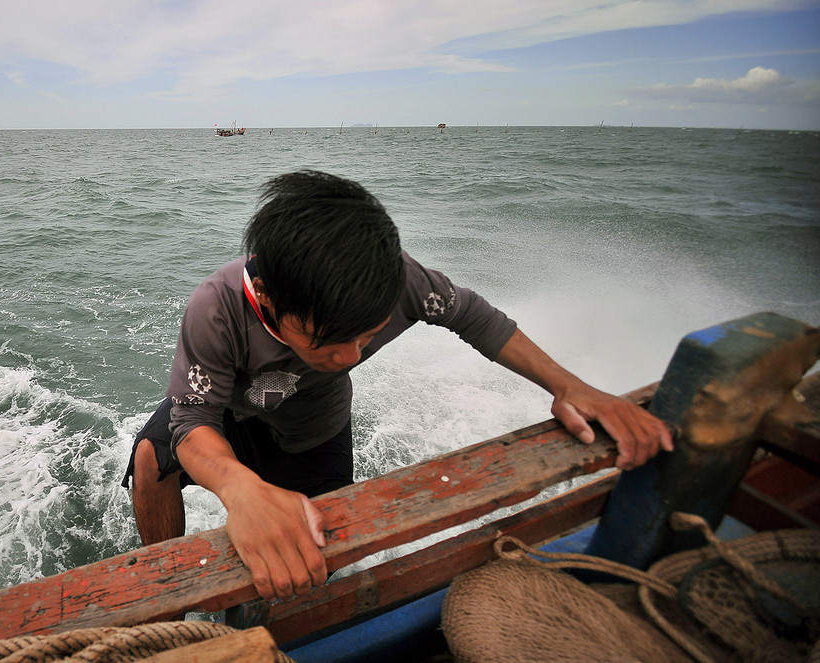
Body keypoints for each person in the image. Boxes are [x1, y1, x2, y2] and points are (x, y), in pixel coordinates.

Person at [123, 170, 673, 602]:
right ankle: (171, 594)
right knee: (152, 459)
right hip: (226, 414)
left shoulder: (401, 282)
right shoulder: (216, 308)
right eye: (326, 342)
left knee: (316, 550)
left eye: (362, 339)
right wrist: (242, 492)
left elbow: (476, 317)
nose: (347, 358)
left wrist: (570, 384)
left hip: (313, 427)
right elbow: (193, 422)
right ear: (266, 298)